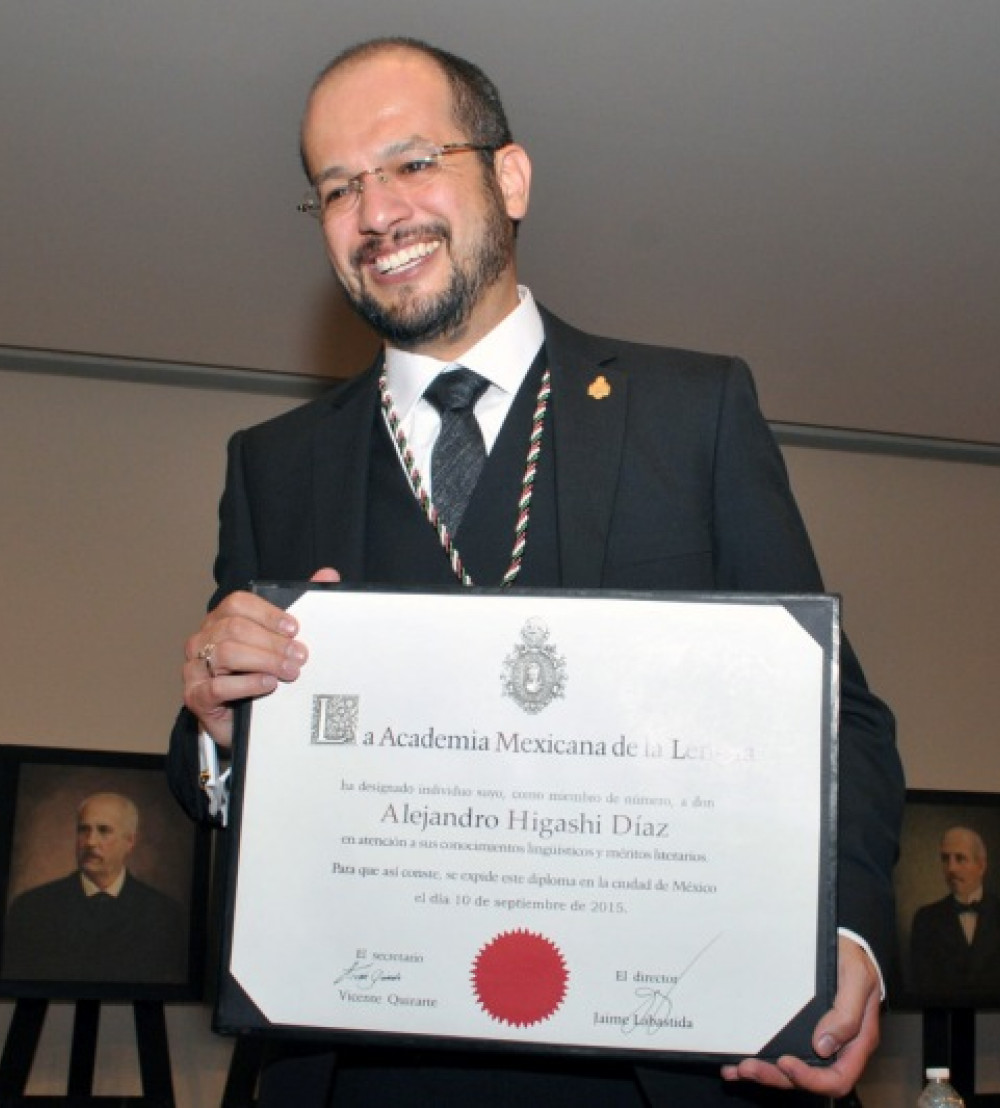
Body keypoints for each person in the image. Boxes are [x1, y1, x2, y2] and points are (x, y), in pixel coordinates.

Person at [168, 36, 903, 1107]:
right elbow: (215, 777)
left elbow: (839, 716)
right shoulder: (272, 466)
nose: (376, 213)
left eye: (412, 163)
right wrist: (218, 731)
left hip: (666, 1064)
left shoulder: (690, 414)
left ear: (508, 179)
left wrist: (844, 937)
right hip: (352, 1069)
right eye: (338, 188)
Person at [3, 792, 188, 983]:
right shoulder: (32, 908)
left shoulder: (164, 914)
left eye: (104, 830)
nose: (90, 842)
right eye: (84, 830)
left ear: (130, 842)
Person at [910, 826, 1000, 1003]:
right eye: (945, 859)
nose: (951, 868)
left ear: (981, 865)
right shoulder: (925, 919)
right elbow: (923, 986)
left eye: (960, 858)